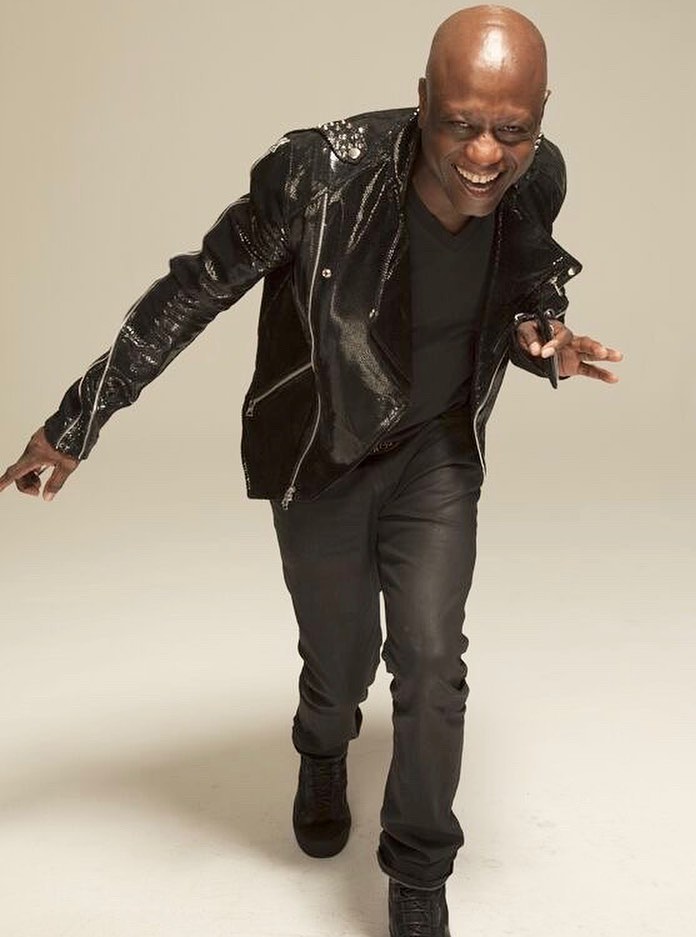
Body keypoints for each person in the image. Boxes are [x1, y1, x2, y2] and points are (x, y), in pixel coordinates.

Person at [1, 5, 622, 935]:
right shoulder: (316, 176)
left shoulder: (541, 177)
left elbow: (522, 287)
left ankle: (418, 869)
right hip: (323, 453)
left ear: (540, 116)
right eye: (461, 124)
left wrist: (544, 335)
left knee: (431, 659)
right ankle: (322, 746)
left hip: (437, 455)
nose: (487, 154)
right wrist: (75, 421)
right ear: (423, 100)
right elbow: (193, 289)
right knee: (342, 660)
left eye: (513, 129)